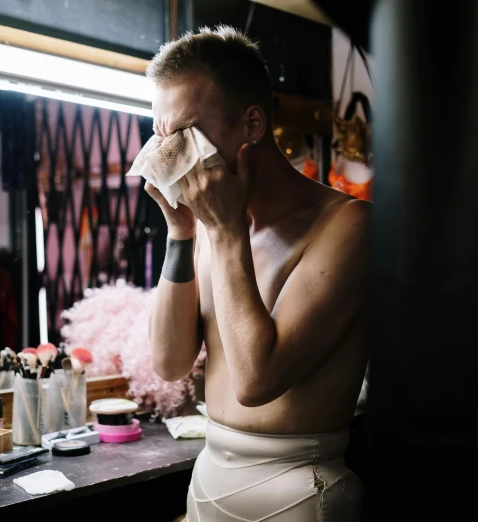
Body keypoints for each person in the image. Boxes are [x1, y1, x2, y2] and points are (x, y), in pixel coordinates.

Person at [146, 27, 369, 521]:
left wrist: (225, 233)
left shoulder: (348, 226)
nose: (171, 157)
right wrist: (181, 233)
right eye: (163, 138)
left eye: (185, 135)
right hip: (208, 482)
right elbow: (169, 361)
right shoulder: (207, 227)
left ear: (252, 124)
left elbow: (256, 380)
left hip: (299, 494)